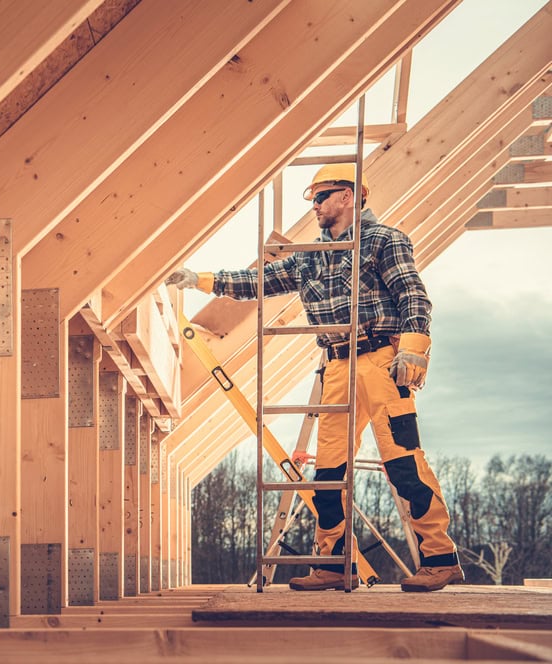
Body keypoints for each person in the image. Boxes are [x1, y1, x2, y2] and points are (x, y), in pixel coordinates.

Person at [166, 164, 463, 592]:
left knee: (402, 460)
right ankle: (334, 562)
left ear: (348, 197)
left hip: (381, 359)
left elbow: (412, 294)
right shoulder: (310, 257)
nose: (316, 206)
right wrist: (201, 280)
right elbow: (258, 281)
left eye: (322, 196)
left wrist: (415, 346)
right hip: (337, 365)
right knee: (327, 472)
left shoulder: (384, 240)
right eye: (314, 198)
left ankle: (440, 558)